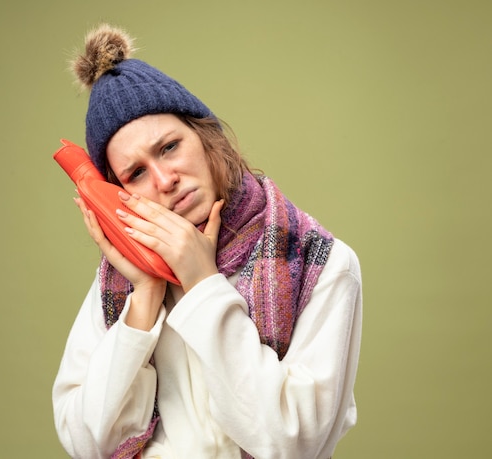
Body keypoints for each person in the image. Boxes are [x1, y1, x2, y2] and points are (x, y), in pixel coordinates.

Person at [52, 24, 362, 459]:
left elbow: (293, 442)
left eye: (169, 147)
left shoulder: (319, 263)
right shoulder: (120, 286)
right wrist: (144, 299)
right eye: (135, 173)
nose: (164, 180)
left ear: (206, 137)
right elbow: (86, 443)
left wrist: (202, 284)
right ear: (118, 193)